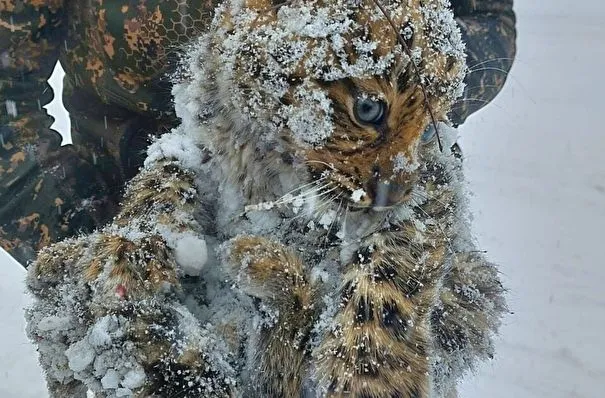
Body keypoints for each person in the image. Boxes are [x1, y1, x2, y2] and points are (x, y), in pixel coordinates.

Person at [0, 0, 516, 267]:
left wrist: (383, 94)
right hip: (139, 230)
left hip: (360, 253)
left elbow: (483, 17)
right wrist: (81, 237)